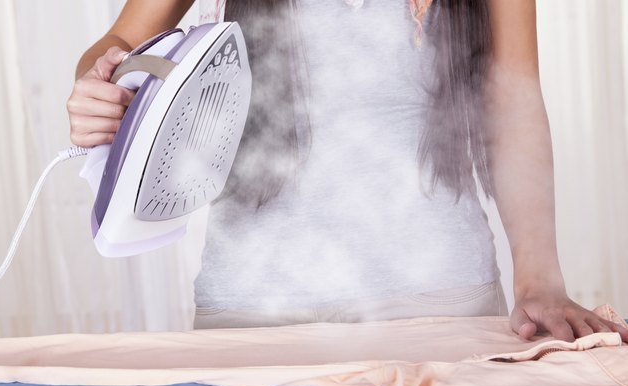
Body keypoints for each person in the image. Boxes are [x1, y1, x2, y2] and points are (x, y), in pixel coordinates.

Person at [67, 0, 628, 343]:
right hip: (252, 305)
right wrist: (100, 81)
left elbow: (513, 93)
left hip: (437, 299)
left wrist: (539, 281)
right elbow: (120, 43)